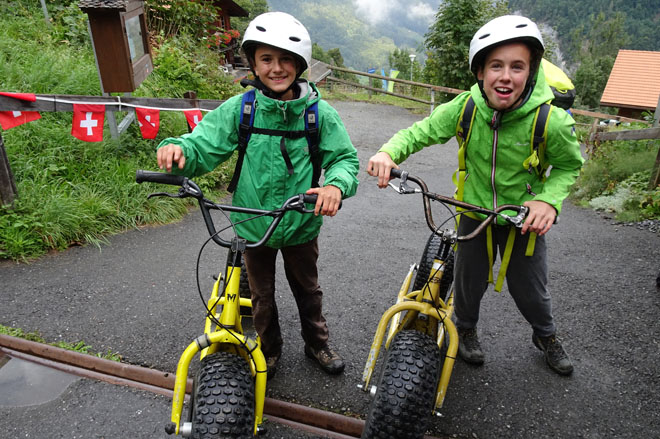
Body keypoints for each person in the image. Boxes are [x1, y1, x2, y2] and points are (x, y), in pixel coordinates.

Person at [367, 15, 583, 376]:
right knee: (468, 280)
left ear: (531, 73)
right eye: (495, 66)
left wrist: (548, 200)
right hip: (473, 211)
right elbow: (422, 131)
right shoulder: (467, 107)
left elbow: (568, 167)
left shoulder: (551, 121)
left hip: (523, 220)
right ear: (480, 72)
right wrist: (389, 152)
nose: (505, 76)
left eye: (517, 67)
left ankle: (545, 335)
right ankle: (465, 329)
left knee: (530, 288)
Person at [157, 12, 359, 377]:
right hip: (253, 221)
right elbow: (205, 144)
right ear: (253, 62)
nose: (276, 68)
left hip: (301, 222)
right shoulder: (242, 109)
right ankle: (269, 349)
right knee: (260, 296)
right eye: (266, 59)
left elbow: (344, 158)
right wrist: (180, 151)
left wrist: (335, 185)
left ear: (299, 65)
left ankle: (318, 343)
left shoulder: (319, 115)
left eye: (285, 60)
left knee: (308, 290)